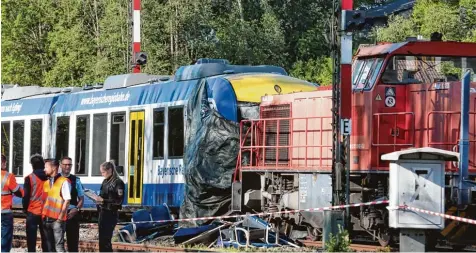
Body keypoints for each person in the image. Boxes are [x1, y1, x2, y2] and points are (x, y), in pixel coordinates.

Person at [42, 159, 71, 253]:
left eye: (46, 167)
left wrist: (60, 219)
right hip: (46, 220)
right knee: (49, 248)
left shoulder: (63, 181)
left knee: (59, 248)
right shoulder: (46, 183)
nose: (44, 169)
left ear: (54, 168)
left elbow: (67, 200)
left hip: (57, 221)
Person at [96, 161, 125, 252]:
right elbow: (102, 195)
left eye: (103, 172)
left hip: (111, 213)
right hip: (102, 213)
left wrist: (104, 201)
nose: (102, 174)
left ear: (110, 170)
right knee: (102, 240)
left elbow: (118, 201)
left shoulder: (118, 183)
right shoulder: (105, 182)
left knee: (106, 239)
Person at [23, 154, 48, 252]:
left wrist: (25, 208)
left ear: (32, 165)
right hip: (46, 212)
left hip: (32, 212)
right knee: (46, 239)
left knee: (31, 240)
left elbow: (26, 196)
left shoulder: (29, 178)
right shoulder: (49, 177)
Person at [60, 156, 84, 252]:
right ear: (61, 165)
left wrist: (76, 209)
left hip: (72, 214)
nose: (67, 167)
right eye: (65, 164)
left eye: (69, 165)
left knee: (73, 243)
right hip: (59, 214)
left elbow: (81, 199)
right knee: (58, 243)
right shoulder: (56, 179)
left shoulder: (76, 180)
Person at [1, 154, 23, 252]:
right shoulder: (7, 176)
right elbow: (18, 192)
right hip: (4, 212)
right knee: (5, 240)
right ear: (4, 163)